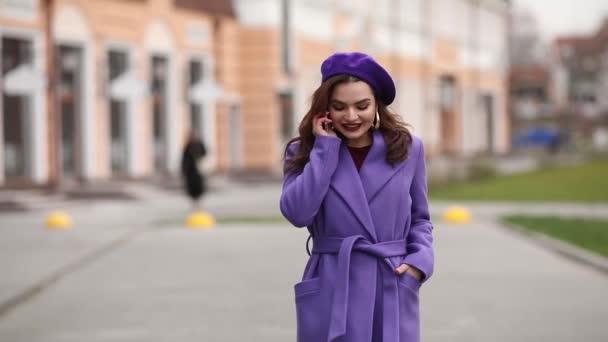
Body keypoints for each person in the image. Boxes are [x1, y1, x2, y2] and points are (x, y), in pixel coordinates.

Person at [279, 52, 434, 342]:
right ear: (325, 109)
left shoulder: (408, 149)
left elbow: (421, 219)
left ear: (376, 105)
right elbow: (297, 214)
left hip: (392, 279)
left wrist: (419, 263)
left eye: (361, 106)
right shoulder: (304, 151)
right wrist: (324, 151)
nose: (351, 117)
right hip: (333, 281)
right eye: (339, 107)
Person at [181, 130, 207, 209]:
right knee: (191, 187)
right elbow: (184, 159)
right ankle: (194, 202)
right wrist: (184, 170)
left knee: (199, 186)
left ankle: (199, 202)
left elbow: (205, 153)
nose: (194, 137)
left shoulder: (200, 144)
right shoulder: (188, 146)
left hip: (199, 170)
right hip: (190, 171)